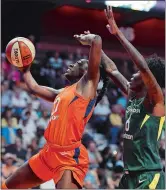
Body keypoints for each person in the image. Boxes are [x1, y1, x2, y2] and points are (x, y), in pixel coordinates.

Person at [2, 33, 110, 189]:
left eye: (79, 63)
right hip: (48, 153)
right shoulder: (62, 92)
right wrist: (25, 69)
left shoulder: (88, 86)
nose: (73, 64)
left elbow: (98, 40)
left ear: (87, 73)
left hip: (68, 157)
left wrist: (91, 41)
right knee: (8, 186)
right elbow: (34, 88)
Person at [100, 6, 165, 189]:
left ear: (147, 80)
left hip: (148, 176)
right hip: (129, 176)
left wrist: (118, 33)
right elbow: (112, 70)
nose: (132, 74)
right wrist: (96, 45)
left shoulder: (156, 101)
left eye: (137, 73)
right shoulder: (133, 97)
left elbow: (143, 67)